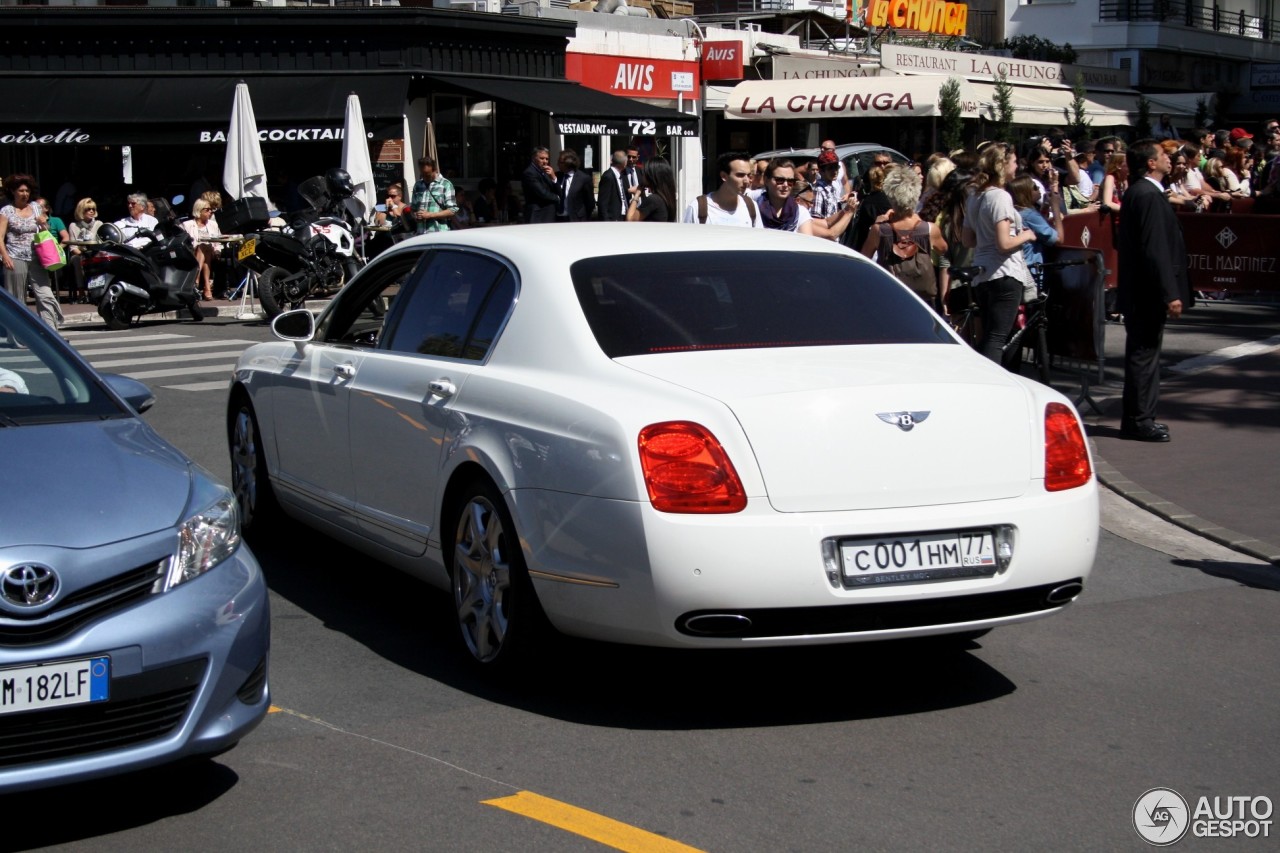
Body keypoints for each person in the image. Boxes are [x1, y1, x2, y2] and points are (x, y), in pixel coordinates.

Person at [1116, 139, 1192, 443]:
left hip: (1142, 291)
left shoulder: (1144, 193)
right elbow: (1155, 250)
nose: (1169, 160)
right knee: (1144, 356)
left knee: (1144, 354)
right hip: (1146, 293)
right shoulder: (1147, 195)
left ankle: (1138, 417)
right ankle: (1139, 420)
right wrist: (1169, 293)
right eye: (1163, 156)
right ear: (1150, 163)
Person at [961, 144, 1037, 367]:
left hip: (982, 271)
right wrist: (1027, 235)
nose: (1017, 166)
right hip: (1003, 272)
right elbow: (1004, 243)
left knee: (992, 333)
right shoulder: (1000, 197)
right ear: (1003, 165)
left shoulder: (975, 196)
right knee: (997, 336)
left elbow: (968, 240)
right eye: (1014, 161)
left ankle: (1002, 378)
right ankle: (994, 383)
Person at [860, 165, 947, 308]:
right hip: (922, 300)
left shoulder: (878, 230)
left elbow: (864, 259)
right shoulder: (930, 229)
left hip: (889, 296)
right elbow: (944, 252)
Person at [1, 174, 64, 329]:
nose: (25, 194)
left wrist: (44, 224)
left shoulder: (36, 207)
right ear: (13, 192)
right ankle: (17, 335)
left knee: (45, 294)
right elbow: (0, 236)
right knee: (17, 298)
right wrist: (5, 256)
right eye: (21, 191)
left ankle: (51, 331)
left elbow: (46, 230)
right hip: (15, 257)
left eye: (27, 191)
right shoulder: (6, 211)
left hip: (37, 256)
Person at [682, 151, 760, 227]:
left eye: (748, 175)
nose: (746, 181)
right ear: (724, 176)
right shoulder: (698, 207)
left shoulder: (751, 206)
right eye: (740, 175)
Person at [751, 159, 814, 235]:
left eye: (790, 181)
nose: (785, 185)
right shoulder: (753, 209)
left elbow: (806, 244)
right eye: (779, 180)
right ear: (766, 180)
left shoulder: (801, 213)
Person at [183, 197, 222, 301]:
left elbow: (218, 241)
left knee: (205, 246)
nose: (210, 212)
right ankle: (207, 287)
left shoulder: (213, 224)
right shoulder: (188, 225)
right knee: (203, 248)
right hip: (193, 252)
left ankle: (195, 281)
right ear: (199, 210)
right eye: (207, 210)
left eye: (211, 210)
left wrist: (218, 251)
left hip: (212, 251)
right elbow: (185, 243)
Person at [67, 197, 103, 303]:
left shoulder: (99, 224)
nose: (91, 211)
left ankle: (97, 291)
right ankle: (81, 291)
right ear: (81, 211)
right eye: (88, 209)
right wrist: (83, 254)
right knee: (77, 260)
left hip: (95, 253)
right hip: (79, 253)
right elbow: (73, 247)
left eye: (93, 209)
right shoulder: (73, 226)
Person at [409, 157, 457, 233]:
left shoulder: (445, 184)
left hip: (438, 233)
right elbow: (413, 209)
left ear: (435, 170)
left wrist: (430, 215)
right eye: (423, 174)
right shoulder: (418, 185)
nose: (425, 177)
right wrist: (415, 216)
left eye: (427, 175)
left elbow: (452, 210)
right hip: (420, 233)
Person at [625, 157, 677, 222]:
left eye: (645, 173)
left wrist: (637, 194)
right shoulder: (665, 197)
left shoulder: (654, 200)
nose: (642, 175)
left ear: (652, 176)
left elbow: (630, 219)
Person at [521, 147, 560, 224]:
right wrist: (558, 198)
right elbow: (541, 192)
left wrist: (554, 177)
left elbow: (556, 189)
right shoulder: (530, 173)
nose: (545, 161)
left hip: (548, 212)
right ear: (533, 158)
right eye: (542, 158)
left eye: (547, 159)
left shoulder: (546, 172)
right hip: (537, 213)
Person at [555, 149, 595, 222]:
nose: (557, 164)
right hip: (558, 218)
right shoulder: (556, 176)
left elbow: (590, 203)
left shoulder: (583, 178)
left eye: (560, 162)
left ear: (568, 163)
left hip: (576, 219)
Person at [596, 150, 629, 222]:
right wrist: (606, 222)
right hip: (612, 219)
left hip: (622, 216)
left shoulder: (621, 176)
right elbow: (603, 203)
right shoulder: (608, 177)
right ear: (624, 163)